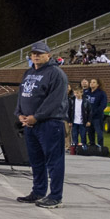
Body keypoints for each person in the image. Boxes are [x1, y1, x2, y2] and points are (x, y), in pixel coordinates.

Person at [14, 41, 69, 208]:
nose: (36, 56)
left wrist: (36, 117)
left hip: (50, 123)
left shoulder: (56, 73)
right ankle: (38, 191)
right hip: (30, 124)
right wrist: (20, 114)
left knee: (54, 161)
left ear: (49, 55)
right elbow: (22, 94)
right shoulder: (28, 72)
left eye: (40, 53)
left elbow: (54, 100)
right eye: (34, 53)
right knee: (36, 161)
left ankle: (55, 196)